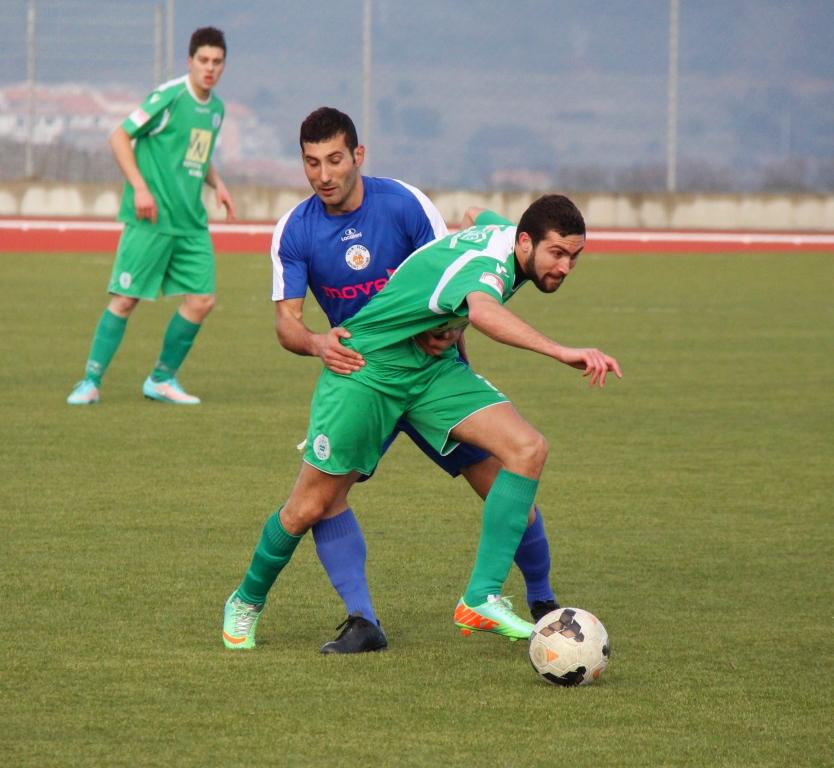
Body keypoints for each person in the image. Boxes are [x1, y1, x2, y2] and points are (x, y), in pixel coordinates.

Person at [222, 193, 621, 653]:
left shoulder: (504, 234)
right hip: (367, 368)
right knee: (309, 506)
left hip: (432, 370)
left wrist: (447, 312)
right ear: (526, 242)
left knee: (527, 448)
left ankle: (481, 597)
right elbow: (487, 312)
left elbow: (473, 214)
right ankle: (246, 599)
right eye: (557, 253)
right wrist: (563, 351)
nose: (566, 267)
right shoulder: (488, 269)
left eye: (575, 256)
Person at [66, 26, 235, 406]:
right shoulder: (170, 96)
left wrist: (217, 183)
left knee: (202, 300)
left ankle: (161, 379)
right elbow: (119, 136)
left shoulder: (216, 110)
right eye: (203, 60)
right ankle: (89, 382)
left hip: (190, 223)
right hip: (151, 219)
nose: (210, 68)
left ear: (224, 66)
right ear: (190, 61)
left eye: (217, 62)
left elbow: (197, 155)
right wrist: (141, 188)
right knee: (125, 299)